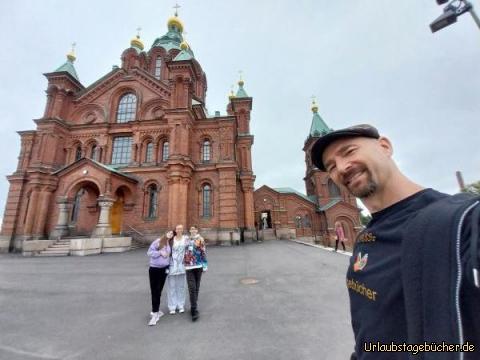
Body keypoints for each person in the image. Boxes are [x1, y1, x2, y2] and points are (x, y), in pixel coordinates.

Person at [310, 124, 480, 360]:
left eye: (349, 152)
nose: (342, 167)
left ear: (385, 146)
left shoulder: (463, 220)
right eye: (331, 166)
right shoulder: (365, 240)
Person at [146, 230, 173, 326]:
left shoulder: (169, 244)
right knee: (155, 291)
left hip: (164, 270)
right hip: (154, 269)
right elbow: (149, 253)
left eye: (171, 234)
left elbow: (168, 257)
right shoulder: (158, 241)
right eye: (169, 233)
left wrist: (168, 267)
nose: (170, 235)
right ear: (165, 233)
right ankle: (155, 313)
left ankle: (156, 310)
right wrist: (160, 253)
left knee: (159, 290)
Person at [184, 225, 208, 322]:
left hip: (198, 266)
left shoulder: (200, 239)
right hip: (189, 266)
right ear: (190, 230)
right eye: (191, 229)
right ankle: (194, 309)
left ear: (197, 230)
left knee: (196, 287)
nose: (193, 230)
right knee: (192, 287)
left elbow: (203, 252)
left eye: (194, 229)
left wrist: (205, 265)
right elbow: (184, 252)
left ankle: (194, 306)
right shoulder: (186, 239)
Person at [167, 224, 188, 315]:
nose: (179, 230)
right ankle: (172, 306)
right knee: (171, 286)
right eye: (177, 228)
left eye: (181, 228)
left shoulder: (186, 238)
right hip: (172, 265)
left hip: (182, 266)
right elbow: (164, 247)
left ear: (182, 230)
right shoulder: (171, 239)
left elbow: (192, 245)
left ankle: (181, 305)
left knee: (181, 286)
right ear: (175, 230)